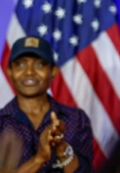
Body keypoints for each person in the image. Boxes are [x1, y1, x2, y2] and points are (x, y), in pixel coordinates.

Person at [0, 36, 93, 173]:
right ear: (9, 72)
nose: (29, 71)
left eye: (39, 64)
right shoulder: (2, 123)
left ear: (53, 71)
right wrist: (40, 158)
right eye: (20, 64)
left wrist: (61, 146)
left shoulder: (76, 119)